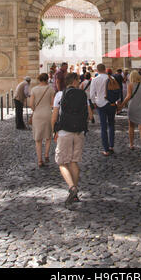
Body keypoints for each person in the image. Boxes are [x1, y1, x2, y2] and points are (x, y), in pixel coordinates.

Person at [51, 72, 93, 209]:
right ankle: (74, 194)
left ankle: (72, 188)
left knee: (62, 162)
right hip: (79, 132)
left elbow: (54, 116)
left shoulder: (59, 95)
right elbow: (90, 115)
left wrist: (54, 130)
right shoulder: (83, 95)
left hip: (64, 132)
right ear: (75, 81)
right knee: (74, 162)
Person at [90, 64, 119, 156]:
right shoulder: (112, 78)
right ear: (105, 69)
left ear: (97, 70)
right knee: (111, 125)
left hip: (100, 104)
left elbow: (91, 94)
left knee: (103, 127)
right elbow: (117, 91)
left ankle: (106, 149)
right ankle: (111, 146)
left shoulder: (95, 79)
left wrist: (94, 103)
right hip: (111, 103)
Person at [119, 70, 141, 155]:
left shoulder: (130, 85)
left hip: (132, 107)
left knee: (131, 126)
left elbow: (128, 96)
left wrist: (122, 105)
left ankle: (132, 144)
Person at [30, 73, 55, 167]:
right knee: (48, 136)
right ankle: (46, 154)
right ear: (47, 79)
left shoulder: (34, 90)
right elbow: (52, 103)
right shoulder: (51, 89)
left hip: (37, 114)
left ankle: (40, 160)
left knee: (38, 138)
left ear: (39, 79)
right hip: (48, 113)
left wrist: (35, 110)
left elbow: (31, 104)